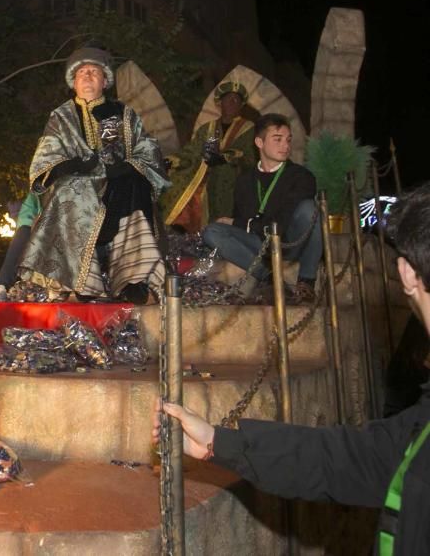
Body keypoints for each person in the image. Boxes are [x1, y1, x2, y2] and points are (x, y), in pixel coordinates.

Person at [153, 182, 430, 554]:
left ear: (407, 275)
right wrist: (217, 441)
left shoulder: (298, 179)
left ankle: (299, 283)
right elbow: (358, 458)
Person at [17, 45, 169, 304]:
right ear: (73, 82)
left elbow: (148, 150)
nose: (88, 77)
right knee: (71, 190)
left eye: (94, 72)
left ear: (105, 81)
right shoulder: (61, 117)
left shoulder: (125, 114)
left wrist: (128, 166)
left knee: (136, 184)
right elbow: (45, 160)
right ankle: (81, 280)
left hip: (119, 185)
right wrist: (72, 164)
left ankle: (133, 279)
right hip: (77, 184)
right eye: (82, 73)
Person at [201, 113, 321, 301]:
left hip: (290, 243)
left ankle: (306, 282)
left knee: (308, 208)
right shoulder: (245, 180)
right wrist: (239, 224)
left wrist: (243, 223)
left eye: (288, 140)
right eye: (278, 139)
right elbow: (242, 223)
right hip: (260, 244)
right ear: (259, 142)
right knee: (212, 231)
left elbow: (281, 222)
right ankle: (269, 277)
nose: (285, 146)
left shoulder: (301, 176)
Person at [160, 80, 258, 232]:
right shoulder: (208, 128)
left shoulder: (248, 128)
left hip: (231, 180)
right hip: (203, 178)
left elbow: (247, 155)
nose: (232, 103)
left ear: (241, 105)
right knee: (177, 187)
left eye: (236, 100)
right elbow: (192, 151)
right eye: (228, 99)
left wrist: (224, 158)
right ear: (220, 103)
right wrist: (172, 161)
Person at [0, 192, 41, 302]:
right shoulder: (42, 185)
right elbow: (27, 215)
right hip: (44, 227)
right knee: (24, 231)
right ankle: (2, 285)